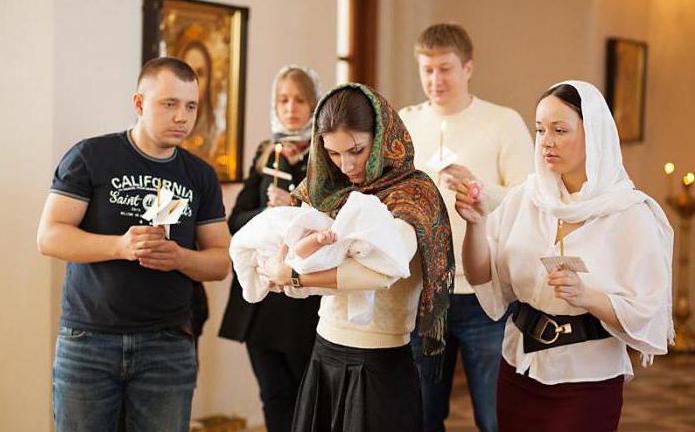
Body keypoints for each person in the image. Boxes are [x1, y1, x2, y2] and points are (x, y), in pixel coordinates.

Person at [456, 81, 673, 432]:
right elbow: (482, 275)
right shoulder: (526, 198)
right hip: (518, 368)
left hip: (586, 375)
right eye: (541, 130)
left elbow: (647, 310)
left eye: (560, 130)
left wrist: (585, 295)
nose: (547, 141)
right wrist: (476, 226)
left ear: (594, 135)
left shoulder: (628, 213)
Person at [36, 57, 231, 432]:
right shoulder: (91, 157)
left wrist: (180, 258)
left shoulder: (199, 175)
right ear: (140, 104)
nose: (182, 117)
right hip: (88, 340)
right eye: (169, 104)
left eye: (190, 106)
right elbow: (49, 236)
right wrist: (120, 247)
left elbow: (220, 262)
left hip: (167, 345)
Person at [260, 83, 456, 432]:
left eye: (357, 150)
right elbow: (292, 246)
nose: (347, 165)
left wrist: (292, 276)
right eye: (333, 154)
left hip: (380, 363)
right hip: (324, 354)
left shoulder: (413, 193)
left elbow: (381, 272)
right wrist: (281, 272)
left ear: (380, 137)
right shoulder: (325, 188)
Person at [398, 23, 533, 432]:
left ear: (468, 67)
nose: (435, 80)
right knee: (421, 415)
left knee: (495, 417)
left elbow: (528, 202)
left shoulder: (502, 122)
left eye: (445, 69)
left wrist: (478, 187)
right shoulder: (405, 122)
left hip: (484, 294)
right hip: (423, 290)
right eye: (427, 70)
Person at [218, 65, 322, 432]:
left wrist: (294, 207)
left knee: (306, 399)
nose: (290, 107)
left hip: (300, 300)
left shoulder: (325, 156)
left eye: (299, 99)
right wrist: (266, 211)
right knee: (273, 395)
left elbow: (332, 223)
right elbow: (235, 219)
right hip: (262, 301)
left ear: (314, 105)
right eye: (283, 99)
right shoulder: (267, 152)